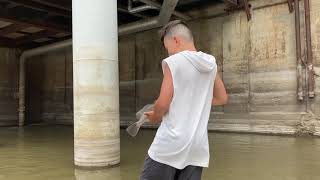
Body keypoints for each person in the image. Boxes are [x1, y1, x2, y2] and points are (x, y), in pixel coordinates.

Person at [141, 20, 228, 180]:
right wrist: (194, 101)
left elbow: (162, 103)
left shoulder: (174, 62)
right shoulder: (210, 62)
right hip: (197, 149)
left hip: (169, 147)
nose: (169, 54)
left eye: (168, 48)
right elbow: (222, 98)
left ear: (176, 40)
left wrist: (155, 116)